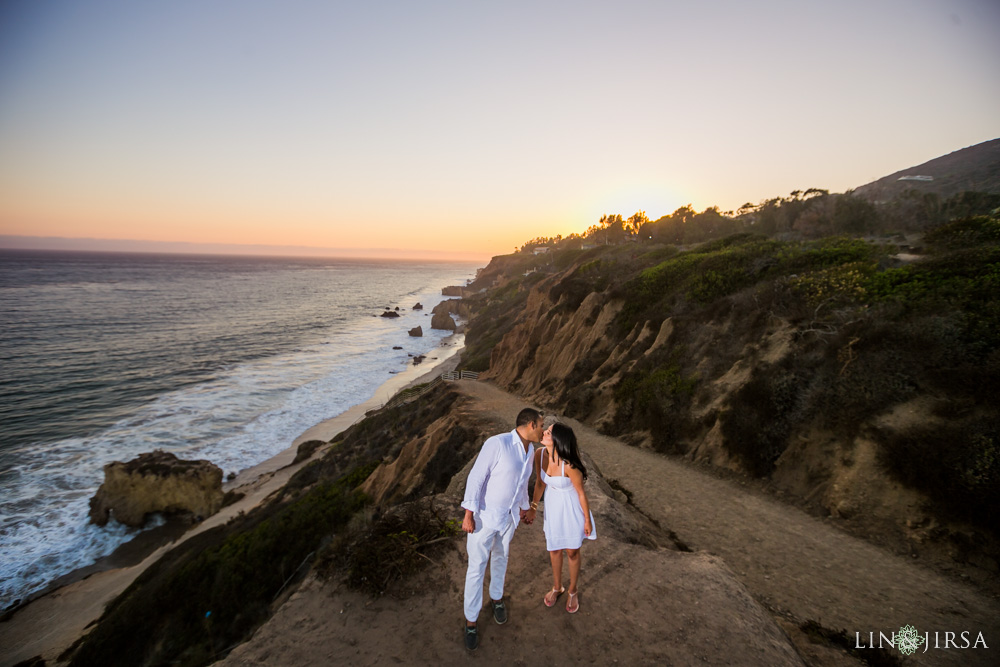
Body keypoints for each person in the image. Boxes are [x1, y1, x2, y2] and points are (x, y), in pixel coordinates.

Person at [460, 407, 544, 651]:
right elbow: (476, 478)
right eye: (540, 425)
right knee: (476, 568)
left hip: (508, 519)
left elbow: (520, 485)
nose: (542, 429)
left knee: (501, 559)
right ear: (530, 424)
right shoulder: (497, 443)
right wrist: (468, 514)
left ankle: (496, 598)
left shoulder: (530, 451)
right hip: (484, 518)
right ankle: (471, 621)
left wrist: (525, 509)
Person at [530, 422, 595, 614]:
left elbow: (581, 493)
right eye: (546, 430)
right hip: (553, 507)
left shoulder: (570, 465)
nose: (544, 433)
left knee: (572, 552)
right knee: (554, 549)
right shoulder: (540, 455)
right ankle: (557, 587)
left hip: (571, 509)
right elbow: (540, 484)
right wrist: (534, 506)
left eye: (549, 433)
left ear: (558, 441)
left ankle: (573, 590)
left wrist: (587, 520)